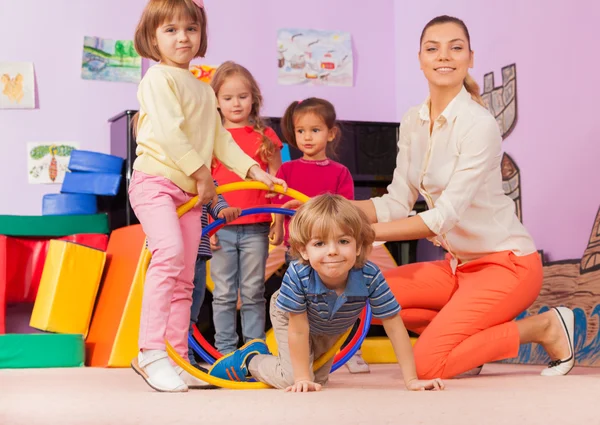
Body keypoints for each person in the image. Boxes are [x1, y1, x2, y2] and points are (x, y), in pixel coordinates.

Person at [353, 15, 574, 379]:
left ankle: (543, 328)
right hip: (459, 268)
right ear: (420, 58)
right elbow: (395, 202)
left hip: (508, 267)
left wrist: (365, 234)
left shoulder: (479, 124)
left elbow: (444, 217)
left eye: (456, 48)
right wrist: (334, 209)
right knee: (367, 293)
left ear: (470, 57)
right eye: (433, 48)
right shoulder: (412, 121)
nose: (444, 56)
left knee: (425, 366)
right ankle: (465, 346)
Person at [128, 0, 286, 392]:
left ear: (201, 35)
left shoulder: (202, 89)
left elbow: (222, 143)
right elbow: (168, 133)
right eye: (170, 30)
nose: (183, 37)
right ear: (152, 37)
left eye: (191, 29)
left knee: (185, 278)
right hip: (155, 182)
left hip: (186, 192)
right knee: (168, 255)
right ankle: (150, 351)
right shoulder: (157, 80)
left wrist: (257, 173)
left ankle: (177, 356)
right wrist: (203, 177)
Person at [207, 194, 445, 392]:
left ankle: (281, 368)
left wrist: (411, 380)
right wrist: (300, 378)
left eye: (343, 241)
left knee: (317, 382)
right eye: (320, 244)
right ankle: (251, 360)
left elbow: (394, 325)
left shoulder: (370, 275)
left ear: (359, 246)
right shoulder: (299, 274)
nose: (332, 251)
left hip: (332, 323)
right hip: (292, 316)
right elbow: (299, 330)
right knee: (297, 379)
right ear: (304, 250)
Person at [270, 97, 369, 373]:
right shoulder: (287, 170)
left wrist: (307, 206)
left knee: (340, 300)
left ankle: (352, 350)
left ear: (331, 133)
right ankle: (302, 356)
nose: (307, 137)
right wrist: (277, 227)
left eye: (315, 130)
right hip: (299, 251)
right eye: (301, 131)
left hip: (332, 254)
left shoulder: (340, 172)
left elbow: (345, 212)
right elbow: (279, 205)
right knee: (302, 304)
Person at [209, 61, 284, 354]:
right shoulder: (212, 139)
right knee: (225, 293)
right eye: (227, 98)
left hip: (256, 227)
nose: (236, 103)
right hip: (222, 227)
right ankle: (225, 351)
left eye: (242, 96)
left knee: (253, 291)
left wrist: (278, 220)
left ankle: (254, 350)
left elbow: (277, 182)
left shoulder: (265, 137)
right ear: (216, 101)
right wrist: (209, 225)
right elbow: (207, 186)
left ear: (254, 97)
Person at [187, 180, 240, 368]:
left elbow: (213, 198)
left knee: (191, 311)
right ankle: (166, 354)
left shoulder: (202, 173)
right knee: (172, 308)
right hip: (170, 254)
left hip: (198, 252)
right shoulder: (161, 170)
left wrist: (222, 210)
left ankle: (185, 355)